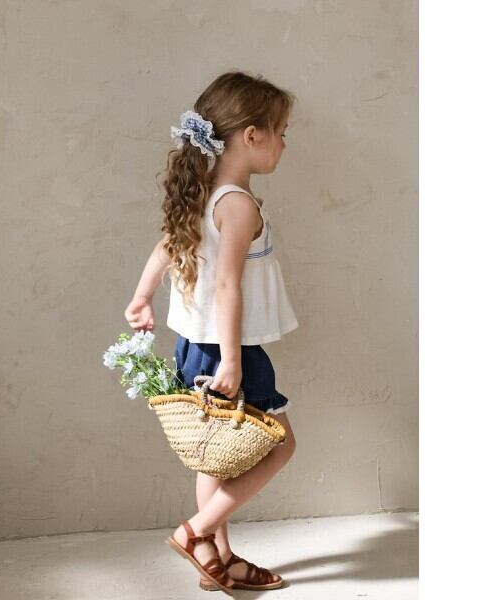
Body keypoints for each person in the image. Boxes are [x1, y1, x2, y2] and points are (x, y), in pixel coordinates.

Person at [124, 70, 299, 594]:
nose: (284, 143)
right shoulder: (237, 204)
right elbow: (226, 286)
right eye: (281, 131)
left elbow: (167, 245)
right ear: (252, 135)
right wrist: (233, 361)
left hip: (194, 346)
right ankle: (196, 532)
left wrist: (141, 295)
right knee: (281, 445)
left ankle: (217, 559)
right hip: (227, 349)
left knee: (214, 456)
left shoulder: (204, 194)